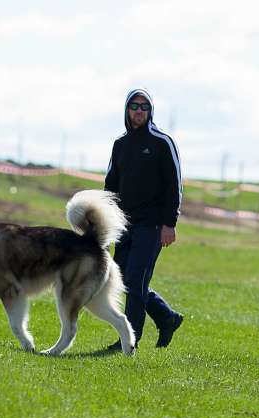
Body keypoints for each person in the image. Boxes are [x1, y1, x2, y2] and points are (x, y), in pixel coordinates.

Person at [104, 88, 184, 349]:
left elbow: (174, 186)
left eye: (144, 107)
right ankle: (166, 318)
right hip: (124, 226)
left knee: (136, 280)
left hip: (152, 225)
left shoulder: (162, 142)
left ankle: (129, 341)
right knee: (125, 281)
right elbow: (111, 187)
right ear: (127, 110)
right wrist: (105, 225)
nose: (139, 111)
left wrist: (169, 224)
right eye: (134, 106)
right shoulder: (120, 145)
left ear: (150, 112)